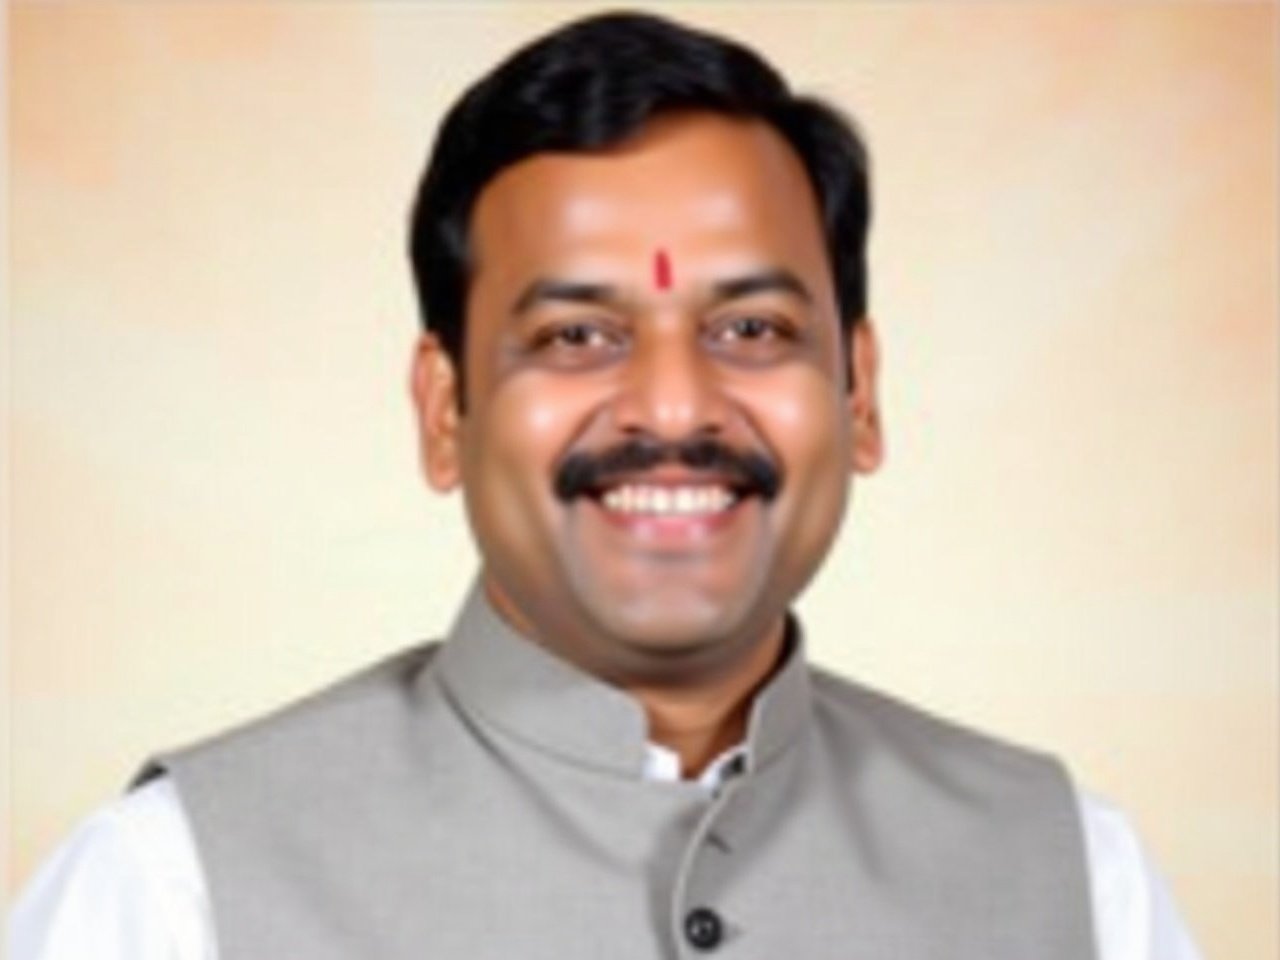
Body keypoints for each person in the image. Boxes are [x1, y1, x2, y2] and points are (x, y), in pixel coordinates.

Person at [10, 11, 1202, 960]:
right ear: (444, 411)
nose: (674, 409)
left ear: (860, 391)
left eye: (747, 324)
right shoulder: (174, 890)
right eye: (578, 337)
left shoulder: (1068, 876)